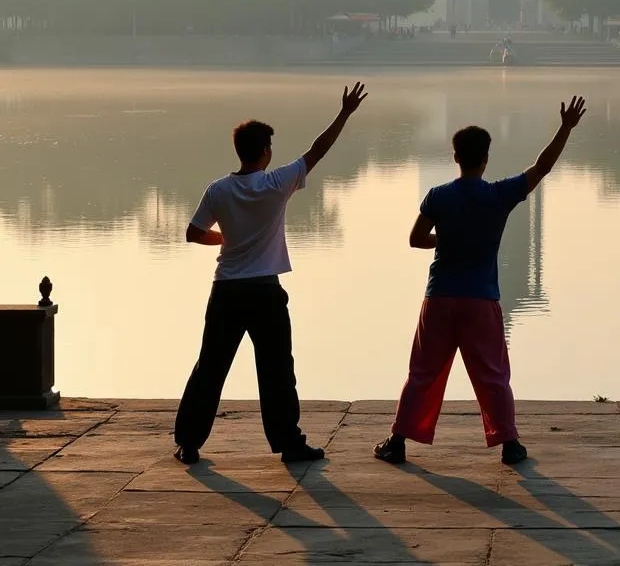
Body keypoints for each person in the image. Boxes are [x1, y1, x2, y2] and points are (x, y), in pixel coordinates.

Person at [373, 95, 587, 467]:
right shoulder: (498, 195)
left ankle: (398, 441)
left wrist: (447, 238)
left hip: (439, 297)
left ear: (455, 157)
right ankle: (510, 445)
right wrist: (565, 128)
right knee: (493, 374)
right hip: (481, 299)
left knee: (422, 372)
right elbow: (542, 167)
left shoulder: (438, 196)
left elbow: (415, 239)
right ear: (486, 158)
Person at [173, 82, 368, 465]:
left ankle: (189, 443)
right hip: (265, 292)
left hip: (227, 290)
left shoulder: (219, 189)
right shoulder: (277, 184)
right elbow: (317, 151)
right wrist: (344, 113)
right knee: (277, 369)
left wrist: (225, 239)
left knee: (210, 367)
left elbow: (192, 233)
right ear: (265, 152)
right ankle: (289, 443)